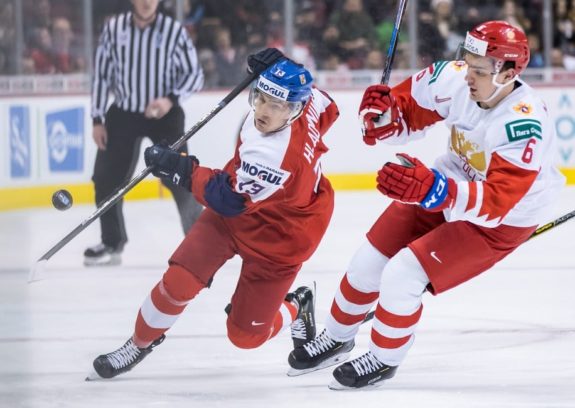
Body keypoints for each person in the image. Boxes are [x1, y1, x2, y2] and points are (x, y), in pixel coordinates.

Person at [288, 20, 565, 390]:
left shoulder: (523, 123)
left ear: (510, 72)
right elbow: (408, 111)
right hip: (449, 182)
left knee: (403, 275)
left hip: (501, 220)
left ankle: (384, 359)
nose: (469, 76)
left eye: (480, 71)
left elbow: (498, 201)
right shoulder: (454, 79)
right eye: (467, 63)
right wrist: (383, 118)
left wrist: (438, 191)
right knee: (368, 261)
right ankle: (338, 336)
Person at [87, 49, 341, 380]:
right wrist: (284, 67)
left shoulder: (273, 154)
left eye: (276, 105)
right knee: (178, 280)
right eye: (262, 98)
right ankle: (138, 344)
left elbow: (227, 198)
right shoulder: (311, 103)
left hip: (282, 237)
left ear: (294, 109)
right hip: (241, 212)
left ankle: (297, 305)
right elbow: (330, 106)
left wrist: (178, 167)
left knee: (245, 336)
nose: (263, 111)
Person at [86, 0, 204, 266]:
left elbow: (194, 74)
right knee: (106, 177)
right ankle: (111, 241)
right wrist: (97, 118)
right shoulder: (114, 29)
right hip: (124, 113)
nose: (147, 2)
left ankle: (200, 242)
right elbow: (102, 76)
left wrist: (170, 99)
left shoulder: (174, 31)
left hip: (165, 113)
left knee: (181, 176)